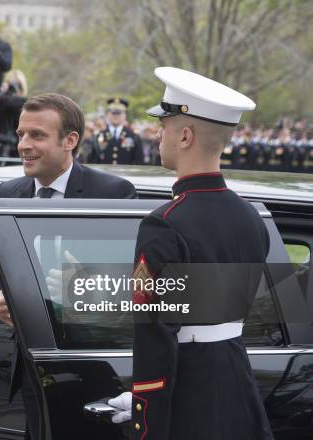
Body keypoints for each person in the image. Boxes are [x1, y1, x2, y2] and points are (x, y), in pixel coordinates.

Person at [108, 67, 273, 440]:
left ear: (184, 135)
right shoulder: (251, 217)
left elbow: (155, 339)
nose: (157, 133)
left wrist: (144, 418)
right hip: (237, 385)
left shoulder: (164, 224)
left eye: (163, 125)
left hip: (188, 398)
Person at [0, 93, 137, 440]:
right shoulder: (8, 192)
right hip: (30, 367)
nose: (23, 145)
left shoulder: (112, 194)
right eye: (20, 134)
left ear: (70, 141)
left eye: (37, 135)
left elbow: (131, 286)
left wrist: (84, 286)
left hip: (93, 373)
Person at [93, 97, 143, 164]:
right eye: (113, 113)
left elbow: (138, 160)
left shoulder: (133, 135)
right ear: (108, 114)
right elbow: (93, 160)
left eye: (119, 113)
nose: (115, 116)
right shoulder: (99, 135)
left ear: (125, 115)